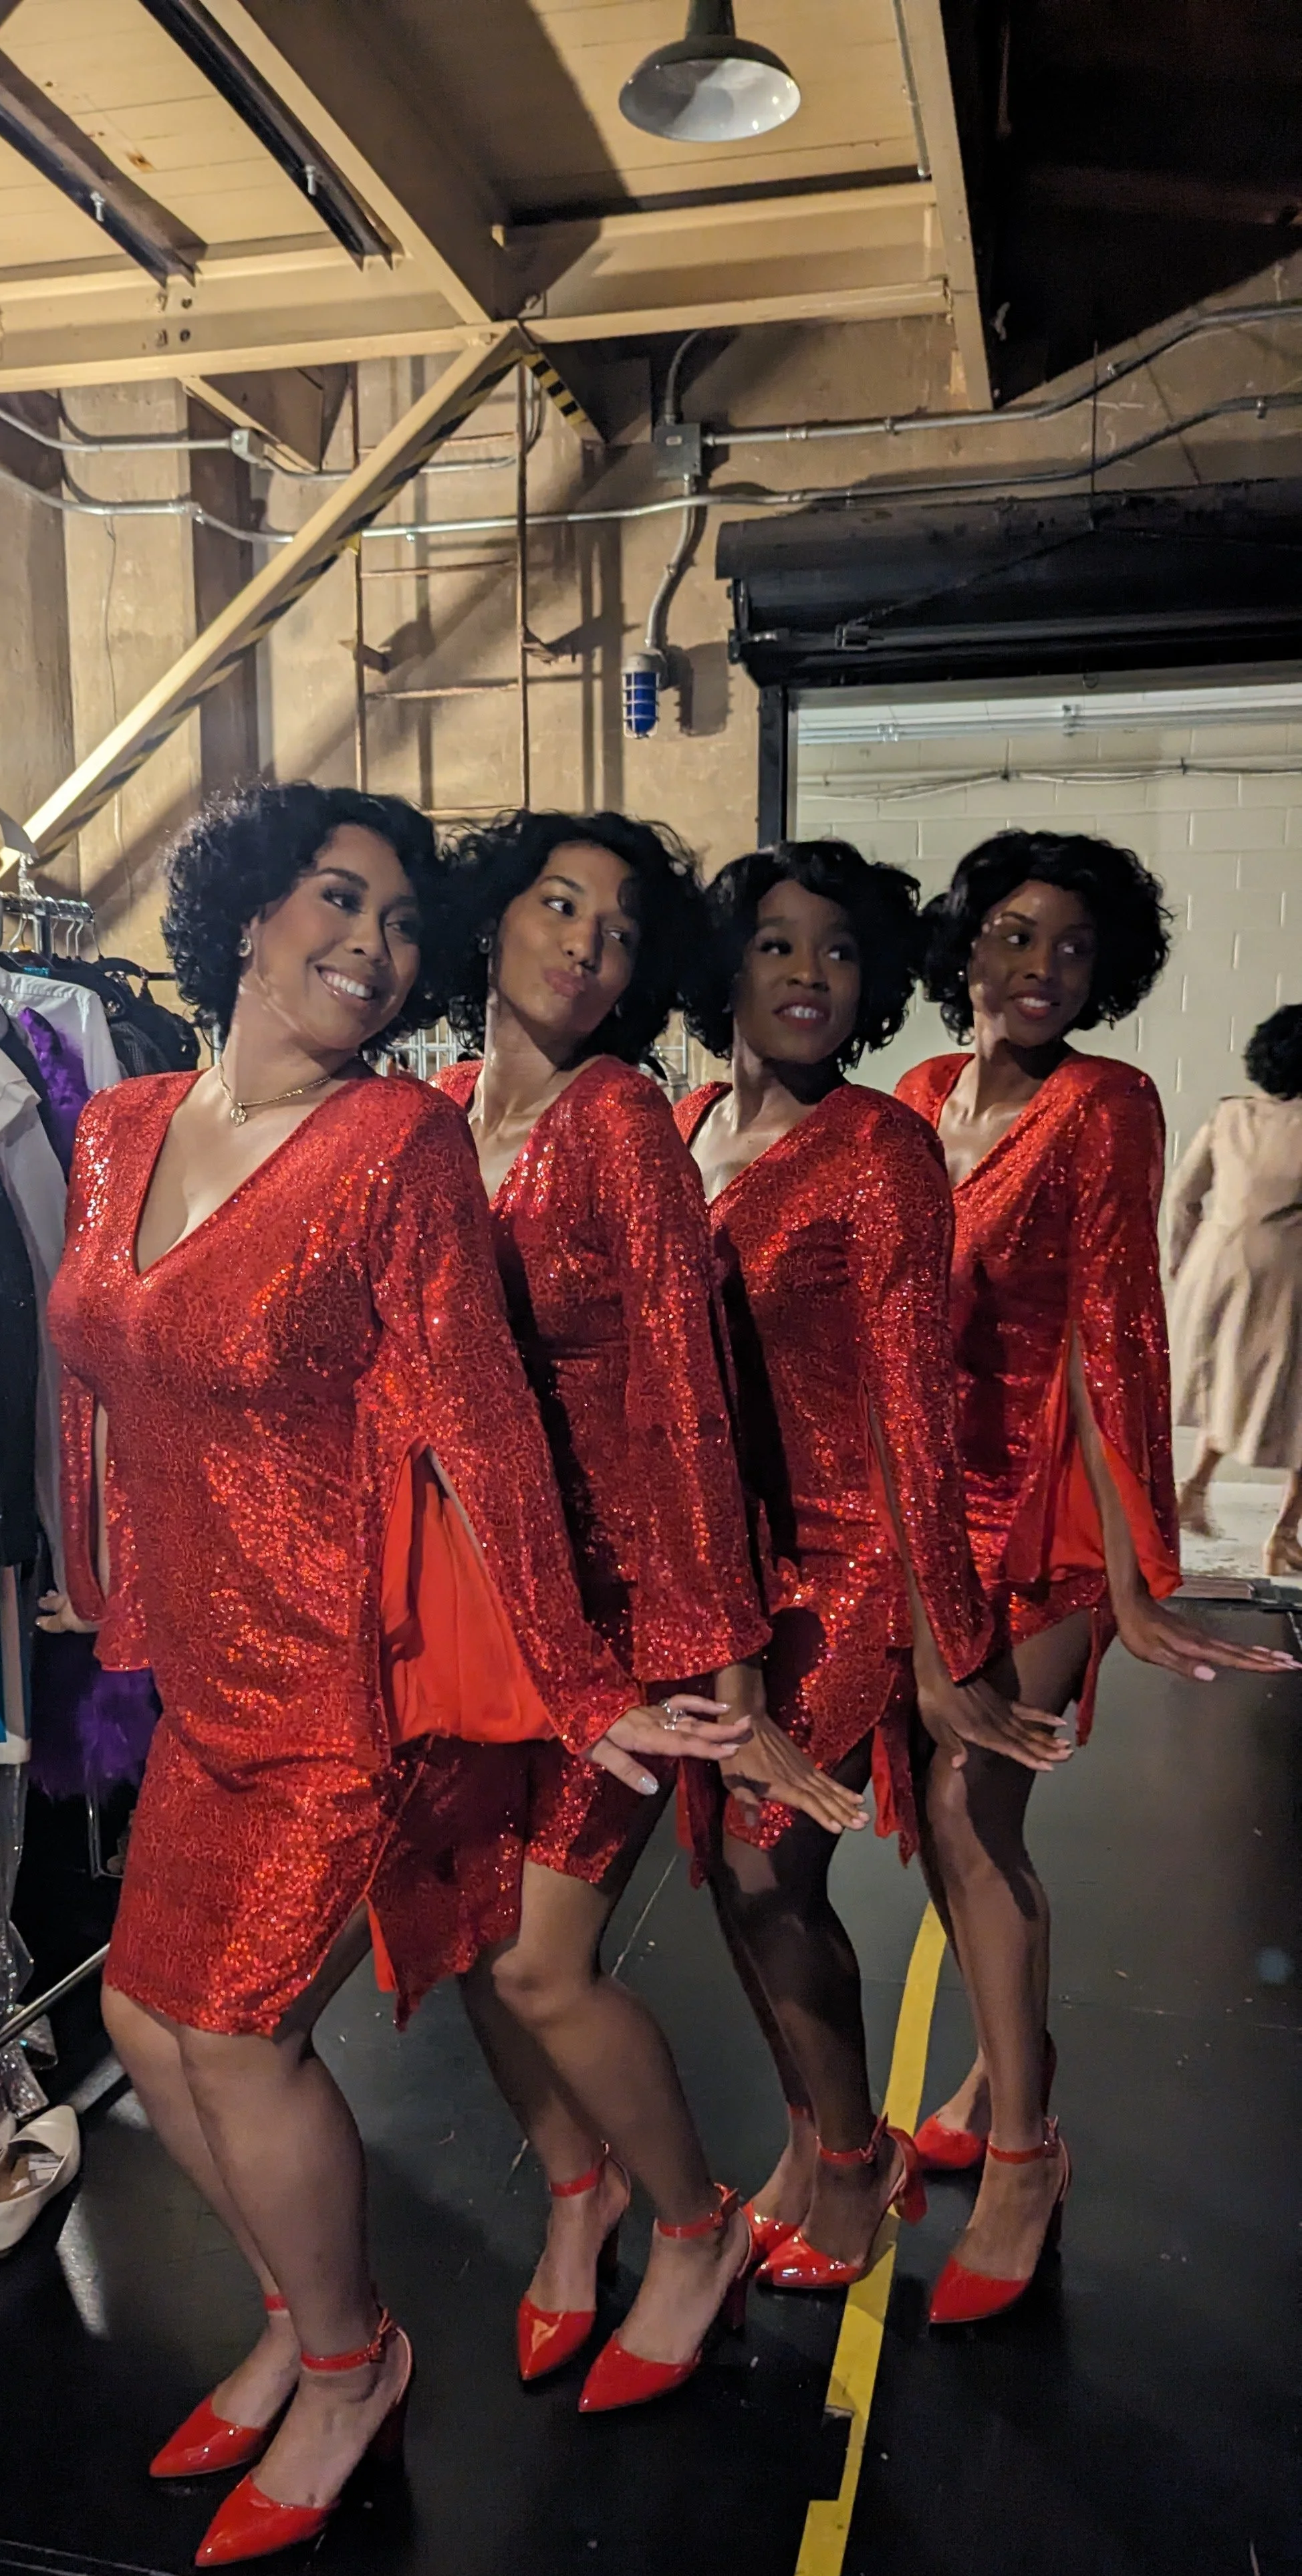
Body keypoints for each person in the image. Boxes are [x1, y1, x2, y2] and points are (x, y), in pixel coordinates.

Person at [41, 782, 745, 2565]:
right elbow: (91, 1361)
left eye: (401, 921)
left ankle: (356, 2367)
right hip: (200, 1667)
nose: (372, 944)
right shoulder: (120, 1125)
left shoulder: (390, 1148)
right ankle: (299, 2317)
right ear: (245, 914)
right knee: (136, 2022)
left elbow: (482, 1419)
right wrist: (86, 1571)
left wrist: (586, 1682)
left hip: (339, 1676)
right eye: (336, 900)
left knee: (239, 2033)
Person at [434, 808, 815, 2414]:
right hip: (471, 1606)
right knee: (473, 1943)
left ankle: (690, 2224)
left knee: (543, 1962)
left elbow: (687, 1391)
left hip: (622, 1617)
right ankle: (576, 2193)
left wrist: (729, 1660)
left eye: (620, 926)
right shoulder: (429, 1116)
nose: (588, 944)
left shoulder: (621, 1119)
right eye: (559, 904)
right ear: (492, 921)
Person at [895, 830, 1295, 2326]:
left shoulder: (1106, 1102)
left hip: (1050, 1500)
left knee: (968, 1804)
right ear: (964, 946)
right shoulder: (918, 1097)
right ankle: (1002, 2066)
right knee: (939, 1815)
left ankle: (1024, 2151)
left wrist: (1133, 1568)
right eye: (1012, 934)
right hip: (930, 1508)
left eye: (1073, 946)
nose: (1041, 968)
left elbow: (1113, 1328)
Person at [675, 840, 1069, 2295]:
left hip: (851, 1564)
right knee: (721, 1872)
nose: (808, 975)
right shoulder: (680, 1124)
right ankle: (810, 2138)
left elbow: (914, 1412)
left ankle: (856, 2162)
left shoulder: (879, 1149)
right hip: (723, 1573)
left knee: (767, 1863)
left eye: (839, 951)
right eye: (776, 944)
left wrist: (942, 1644)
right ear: (724, 965)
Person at [1168, 1004, 1302, 1576]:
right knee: (1293, 1400)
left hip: (1216, 1268)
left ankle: (1193, 1490)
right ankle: (1284, 1535)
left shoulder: (1230, 1116)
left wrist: (1182, 1262)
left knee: (1228, 1381)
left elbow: (1183, 1196)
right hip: (1287, 1276)